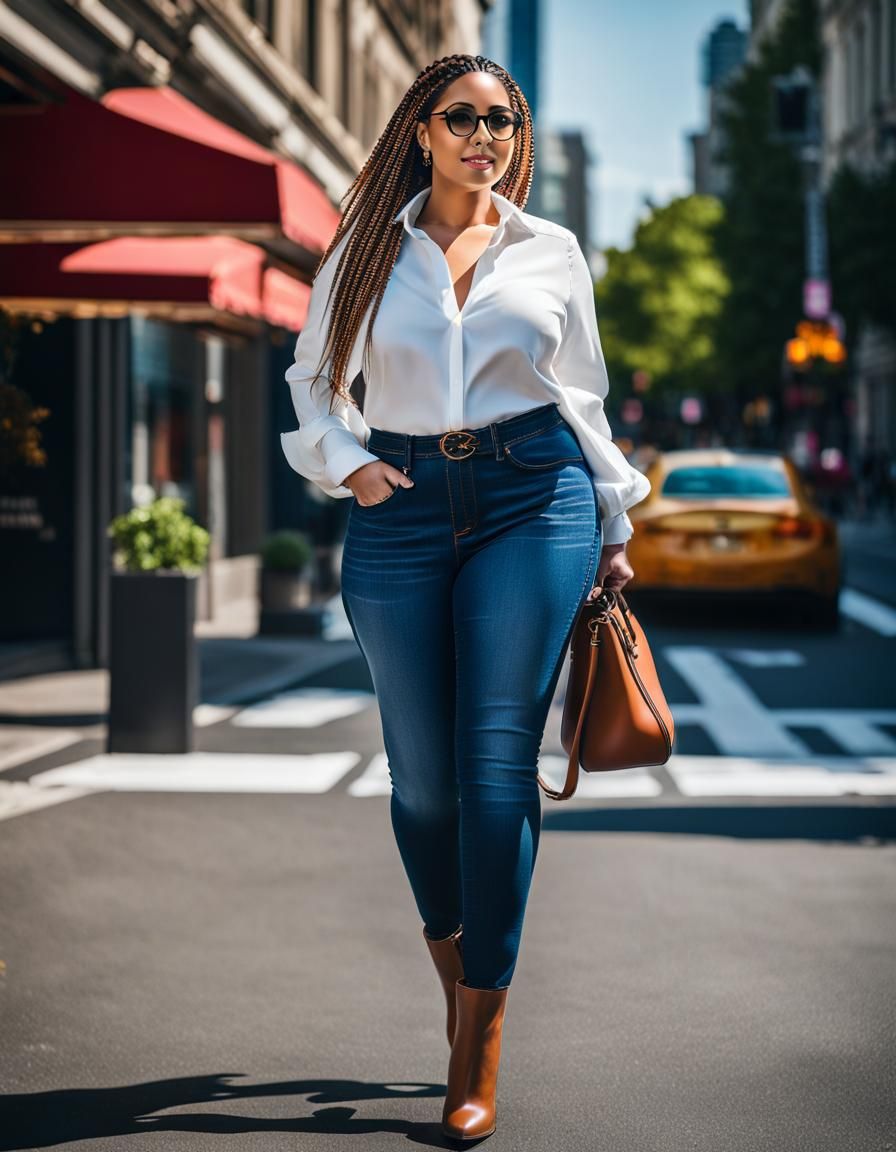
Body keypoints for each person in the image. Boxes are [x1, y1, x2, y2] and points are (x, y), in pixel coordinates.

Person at [280, 53, 651, 1143]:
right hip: (396, 502)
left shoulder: (552, 252)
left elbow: (579, 397)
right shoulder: (362, 249)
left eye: (500, 120)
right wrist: (345, 463)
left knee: (496, 773)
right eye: (462, 118)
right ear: (423, 131)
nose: (483, 136)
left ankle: (477, 1041)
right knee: (425, 787)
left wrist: (614, 525)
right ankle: (461, 985)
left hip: (532, 499)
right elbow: (311, 377)